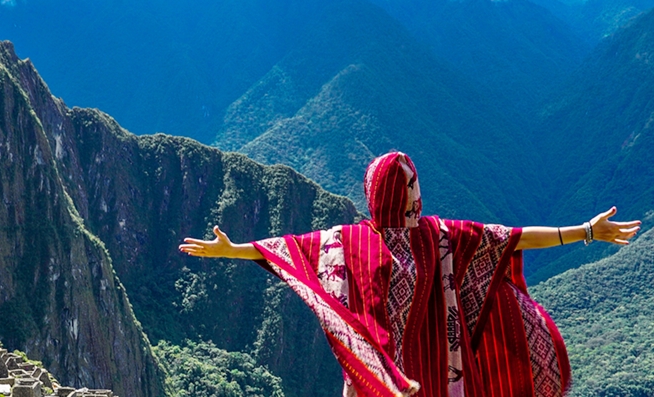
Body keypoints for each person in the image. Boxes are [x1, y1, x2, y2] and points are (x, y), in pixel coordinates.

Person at [179, 151, 640, 397]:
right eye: (412, 187)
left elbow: (512, 238)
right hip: (411, 380)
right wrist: (234, 250)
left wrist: (586, 232)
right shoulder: (392, 239)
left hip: (408, 381)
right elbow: (292, 253)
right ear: (401, 193)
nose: (418, 195)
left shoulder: (398, 239)